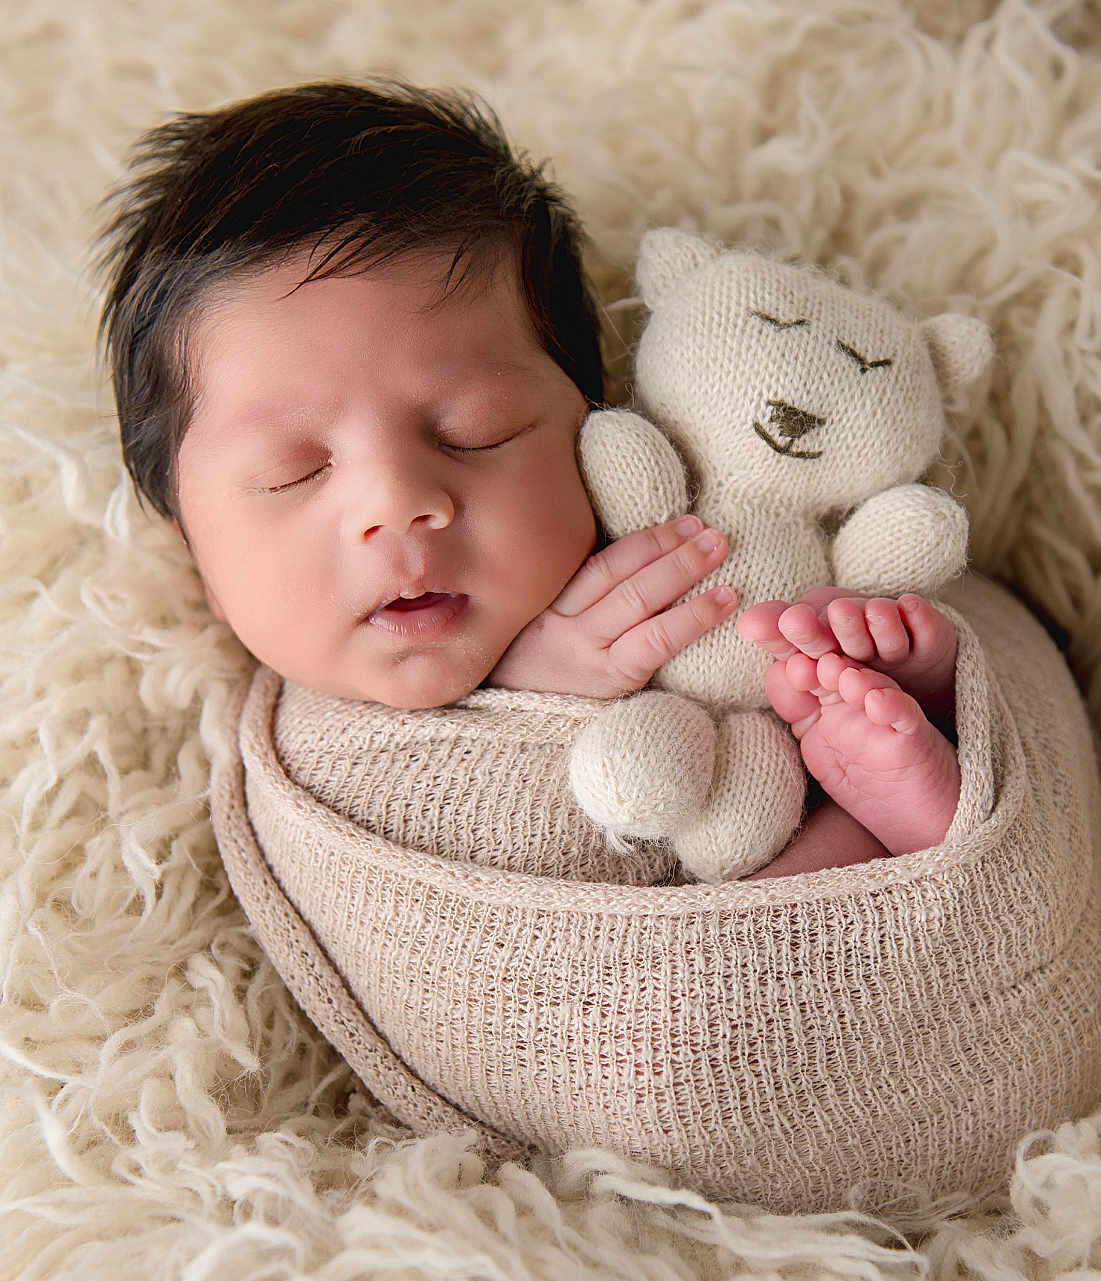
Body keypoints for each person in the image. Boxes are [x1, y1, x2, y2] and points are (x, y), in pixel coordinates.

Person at [96, 78, 959, 881]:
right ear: (194, 546)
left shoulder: (700, 563)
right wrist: (531, 701)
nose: (398, 502)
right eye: (293, 472)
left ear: (598, 415)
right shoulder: (291, 764)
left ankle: (904, 829)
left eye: (473, 432)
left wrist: (905, 672)